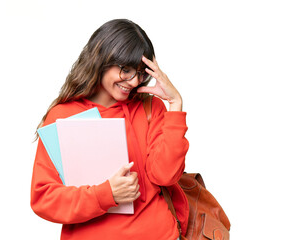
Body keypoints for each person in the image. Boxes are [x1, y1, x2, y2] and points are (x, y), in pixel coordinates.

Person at [31, 19, 189, 240]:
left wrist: (175, 105)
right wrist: (106, 194)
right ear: (101, 60)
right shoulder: (62, 115)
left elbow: (166, 176)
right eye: (126, 70)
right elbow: (44, 198)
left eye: (141, 73)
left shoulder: (150, 107)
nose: (134, 82)